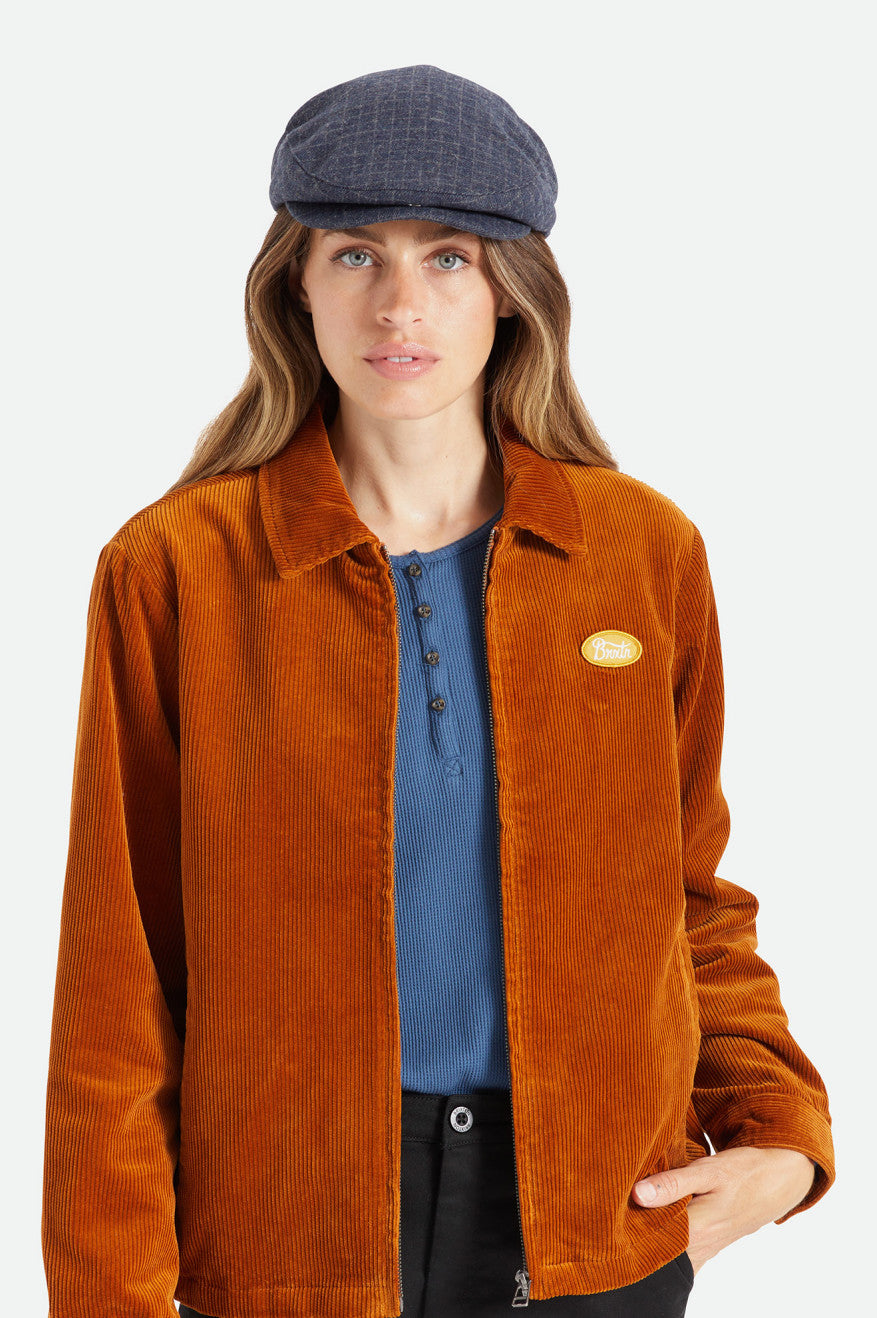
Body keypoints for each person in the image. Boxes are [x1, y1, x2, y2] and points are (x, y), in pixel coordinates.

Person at [41, 65, 835, 1318]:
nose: (399, 304)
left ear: (511, 290)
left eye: (449, 257)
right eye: (356, 254)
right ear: (295, 285)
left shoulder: (639, 553)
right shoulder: (177, 568)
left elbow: (688, 898)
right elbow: (118, 980)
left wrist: (779, 1129)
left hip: (597, 1223)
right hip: (290, 1238)